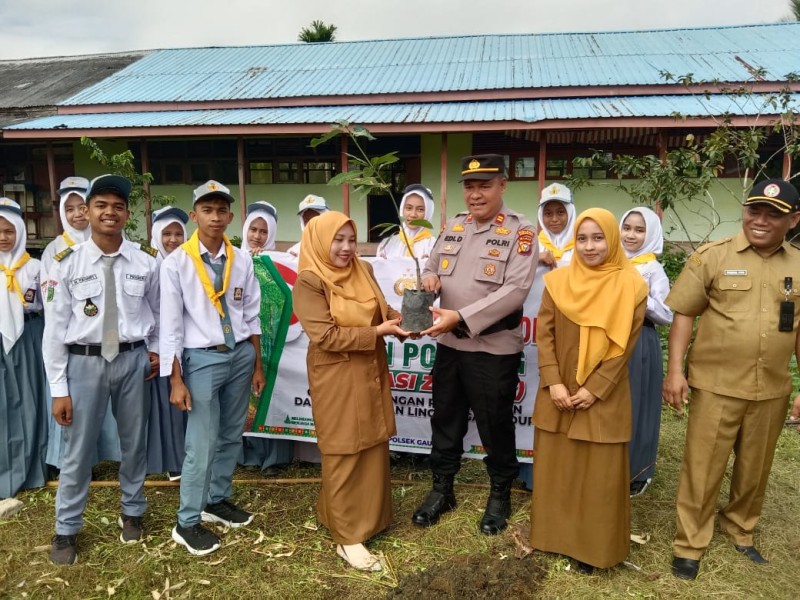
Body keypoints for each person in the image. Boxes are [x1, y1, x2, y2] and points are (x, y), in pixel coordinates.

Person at [663, 179, 800, 581]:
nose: (760, 220)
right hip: (716, 384)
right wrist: (675, 371)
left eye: (772, 215)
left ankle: (740, 528)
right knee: (703, 467)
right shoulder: (713, 256)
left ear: (793, 220)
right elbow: (684, 313)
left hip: (771, 387)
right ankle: (689, 544)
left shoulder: (799, 265)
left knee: (755, 468)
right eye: (754, 211)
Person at [412, 154, 537, 535]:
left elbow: (516, 291)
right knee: (445, 419)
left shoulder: (521, 231)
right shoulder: (454, 226)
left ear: (502, 185)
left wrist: (461, 317)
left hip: (492, 348)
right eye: (469, 186)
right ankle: (442, 489)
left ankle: (500, 493)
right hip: (449, 344)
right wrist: (431, 279)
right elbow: (432, 265)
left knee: (495, 424)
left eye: (485, 185)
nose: (476, 194)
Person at [42, 174, 160, 565]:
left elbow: (159, 312)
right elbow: (54, 329)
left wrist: (155, 351)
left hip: (131, 362)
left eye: (118, 206)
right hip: (84, 364)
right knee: (78, 450)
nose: (110, 212)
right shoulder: (67, 263)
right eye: (101, 205)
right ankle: (66, 529)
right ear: (87, 212)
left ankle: (133, 510)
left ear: (127, 213)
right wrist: (59, 387)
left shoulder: (145, 260)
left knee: (134, 443)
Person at [530, 207, 647, 574]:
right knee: (557, 467)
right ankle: (552, 537)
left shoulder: (632, 286)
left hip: (602, 394)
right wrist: (554, 382)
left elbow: (625, 346)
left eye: (598, 238)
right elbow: (544, 335)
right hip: (559, 391)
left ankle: (592, 547)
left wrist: (595, 389)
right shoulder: (558, 282)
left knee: (598, 473)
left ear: (611, 241)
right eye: (582, 238)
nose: (589, 246)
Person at [292, 211, 408, 572]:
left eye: (350, 239)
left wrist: (403, 319)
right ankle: (346, 537)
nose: (345, 248)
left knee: (372, 442)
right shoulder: (309, 281)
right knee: (343, 447)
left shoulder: (364, 269)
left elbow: (379, 309)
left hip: (369, 368)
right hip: (337, 373)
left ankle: (365, 518)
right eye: (336, 240)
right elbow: (324, 336)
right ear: (319, 241)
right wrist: (379, 333)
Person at [160, 180, 265, 556]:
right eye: (207, 210)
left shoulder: (242, 260)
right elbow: (170, 327)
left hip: (239, 356)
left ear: (231, 216)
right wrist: (175, 379)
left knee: (230, 434)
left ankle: (217, 500)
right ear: (194, 216)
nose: (215, 217)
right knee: (200, 441)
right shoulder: (177, 263)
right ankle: (187, 521)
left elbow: (251, 315)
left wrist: (257, 364)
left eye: (222, 210)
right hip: (201, 359)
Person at [40, 177, 121, 472]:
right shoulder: (56, 252)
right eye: (69, 208)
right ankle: (68, 464)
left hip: (108, 344)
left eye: (80, 207)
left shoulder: (109, 245)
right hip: (74, 346)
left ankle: (101, 458)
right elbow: (52, 304)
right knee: (72, 406)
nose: (76, 214)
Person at [519, 182, 576, 491]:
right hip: (531, 341)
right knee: (531, 401)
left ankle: (562, 469)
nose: (554, 219)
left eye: (560, 212)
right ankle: (530, 471)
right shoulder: (529, 245)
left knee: (561, 397)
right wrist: (533, 260)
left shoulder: (581, 248)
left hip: (566, 342)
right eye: (549, 213)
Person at [620, 207, 673, 497]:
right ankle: (609, 465)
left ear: (650, 233)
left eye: (639, 230)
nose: (631, 234)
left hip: (639, 340)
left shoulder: (652, 269)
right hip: (605, 340)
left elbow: (667, 314)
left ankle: (637, 470)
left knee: (637, 405)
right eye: (627, 227)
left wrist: (639, 296)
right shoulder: (607, 261)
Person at [238, 201, 294, 474]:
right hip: (242, 336)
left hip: (272, 336)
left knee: (272, 391)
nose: (257, 236)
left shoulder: (278, 262)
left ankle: (274, 457)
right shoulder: (232, 258)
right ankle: (248, 455)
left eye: (263, 231)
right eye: (253, 229)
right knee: (244, 394)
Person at [0, 198, 48, 498]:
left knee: (31, 401)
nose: (3, 236)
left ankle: (34, 469)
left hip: (30, 336)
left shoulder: (36, 267)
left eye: (8, 230)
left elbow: (49, 306)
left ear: (19, 231)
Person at [146, 206, 190, 480]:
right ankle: (165, 459)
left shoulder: (190, 264)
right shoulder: (148, 265)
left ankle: (184, 458)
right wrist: (154, 347)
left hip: (185, 343)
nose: (173, 240)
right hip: (155, 345)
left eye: (178, 234)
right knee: (162, 407)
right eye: (167, 234)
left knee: (184, 403)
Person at [376, 184, 436, 260]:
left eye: (420, 209)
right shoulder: (386, 245)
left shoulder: (434, 246)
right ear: (402, 210)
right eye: (409, 208)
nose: (413, 215)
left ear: (428, 213)